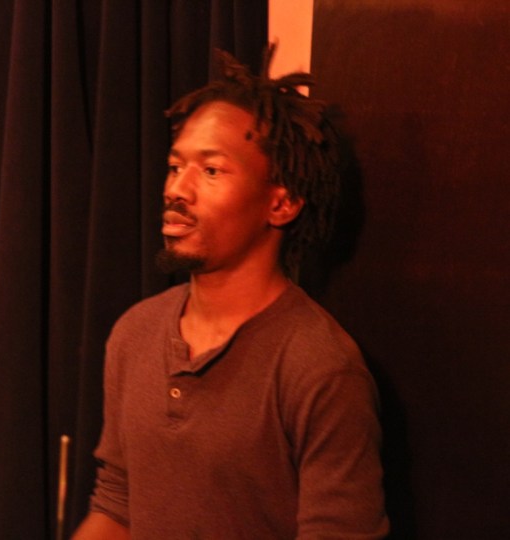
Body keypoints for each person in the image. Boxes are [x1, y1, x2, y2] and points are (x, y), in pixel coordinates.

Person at [72, 45, 389, 539]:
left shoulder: (320, 368)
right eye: (175, 166)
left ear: (281, 203)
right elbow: (118, 503)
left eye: (211, 170)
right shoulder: (135, 333)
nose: (177, 190)